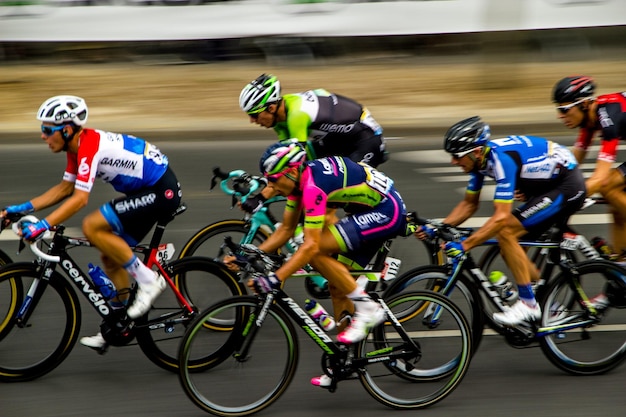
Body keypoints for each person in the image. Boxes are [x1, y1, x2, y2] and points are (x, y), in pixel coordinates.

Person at [0, 95, 183, 350]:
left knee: (91, 226)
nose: (42, 135)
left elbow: (79, 200)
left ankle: (149, 281)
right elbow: (64, 189)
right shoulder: (76, 146)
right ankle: (118, 324)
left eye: (46, 130)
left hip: (161, 191)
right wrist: (18, 209)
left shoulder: (89, 147)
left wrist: (43, 225)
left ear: (65, 130)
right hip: (148, 192)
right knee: (110, 256)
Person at [225, 141, 407, 388]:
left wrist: (275, 278)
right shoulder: (298, 184)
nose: (271, 188)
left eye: (274, 180)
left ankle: (368, 308)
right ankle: (343, 359)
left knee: (317, 249)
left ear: (290, 171)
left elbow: (310, 247)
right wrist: (248, 255)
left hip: (387, 210)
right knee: (336, 285)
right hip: (367, 212)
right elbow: (286, 230)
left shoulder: (313, 187)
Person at [418, 116, 586, 326]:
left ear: (476, 151)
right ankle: (547, 304)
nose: (453, 161)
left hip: (566, 186)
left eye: (457, 156)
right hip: (545, 183)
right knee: (510, 247)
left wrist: (465, 245)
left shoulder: (501, 161)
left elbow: (500, 218)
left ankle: (528, 304)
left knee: (505, 231)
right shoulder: (479, 162)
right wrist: (439, 227)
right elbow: (469, 205)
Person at [238, 73, 388, 213]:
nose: (252, 121)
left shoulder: (297, 115)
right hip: (337, 141)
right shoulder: (279, 118)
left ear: (270, 108)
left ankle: (391, 216)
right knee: (309, 180)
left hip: (366, 140)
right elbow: (284, 160)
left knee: (338, 191)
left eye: (254, 115)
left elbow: (293, 165)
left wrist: (261, 198)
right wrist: (265, 179)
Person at [553, 75, 626, 257]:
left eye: (564, 110)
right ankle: (621, 264)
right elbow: (572, 163)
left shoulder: (608, 118)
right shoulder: (590, 120)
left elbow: (600, 179)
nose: (560, 116)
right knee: (616, 207)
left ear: (583, 104)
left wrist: (564, 200)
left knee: (608, 185)